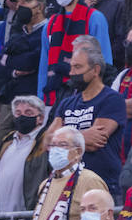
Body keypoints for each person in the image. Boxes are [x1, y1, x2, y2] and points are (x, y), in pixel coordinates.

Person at [46, 39, 127, 189]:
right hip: (67, 184)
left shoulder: (112, 99)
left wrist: (62, 141)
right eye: (71, 67)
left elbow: (94, 142)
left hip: (100, 184)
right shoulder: (66, 103)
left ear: (95, 70)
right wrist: (82, 137)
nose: (71, 73)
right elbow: (48, 140)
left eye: (77, 67)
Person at [31, 125, 108, 220]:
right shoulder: (45, 184)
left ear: (78, 152)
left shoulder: (89, 180)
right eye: (53, 145)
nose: (55, 150)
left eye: (62, 145)